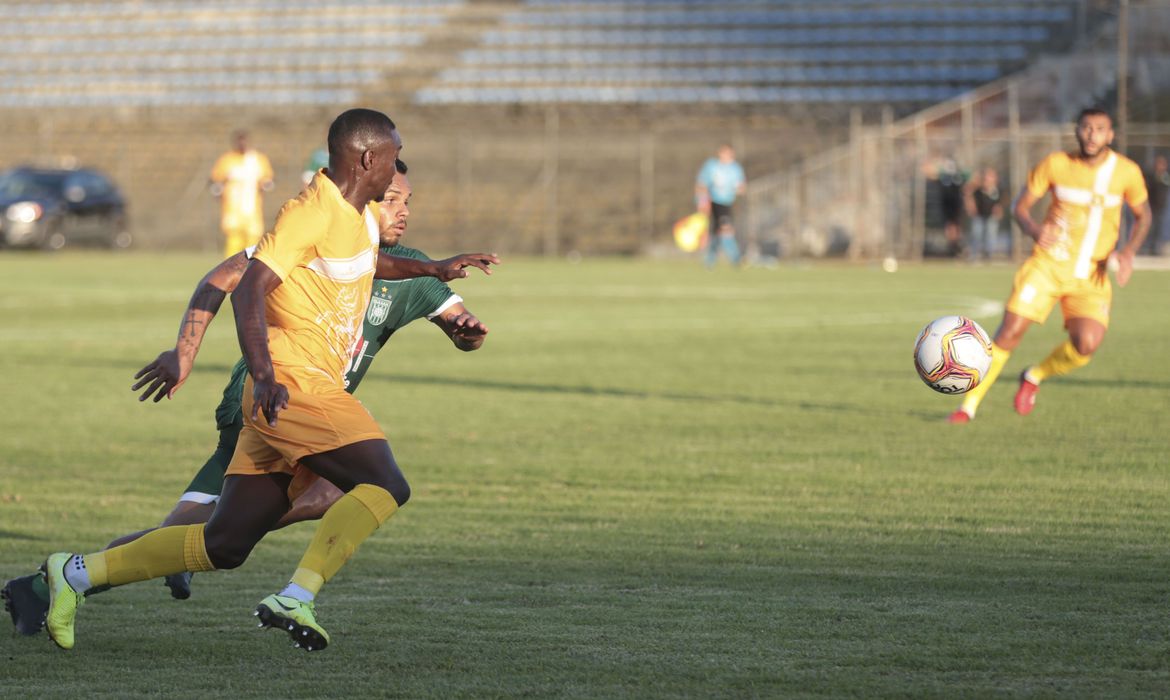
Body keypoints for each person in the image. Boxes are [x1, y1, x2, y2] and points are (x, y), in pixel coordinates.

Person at [35, 109, 500, 652]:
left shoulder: (353, 216)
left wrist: (433, 268)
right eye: (394, 158)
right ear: (368, 159)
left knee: (225, 543)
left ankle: (76, 574)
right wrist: (264, 373)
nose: (397, 172)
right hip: (294, 382)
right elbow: (249, 288)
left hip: (287, 389)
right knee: (385, 484)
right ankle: (297, 595)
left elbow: (366, 263)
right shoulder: (310, 212)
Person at [949, 108, 1151, 424]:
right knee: (1010, 332)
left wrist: (1127, 253)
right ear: (1077, 131)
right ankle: (967, 407)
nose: (1092, 134)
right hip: (1047, 266)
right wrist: (1035, 230)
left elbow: (1144, 216)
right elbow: (1020, 207)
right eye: (1086, 127)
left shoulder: (1127, 172)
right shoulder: (1056, 164)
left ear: (1111, 135)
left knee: (1086, 345)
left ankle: (1034, 376)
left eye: (1100, 129)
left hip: (1091, 275)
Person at [209, 130, 275, 258]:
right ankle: (231, 272)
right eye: (239, 141)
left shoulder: (257, 160)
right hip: (232, 209)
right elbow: (215, 181)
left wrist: (265, 185)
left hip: (252, 209)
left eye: (244, 141)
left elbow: (268, 180)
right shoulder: (227, 160)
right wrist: (218, 190)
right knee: (233, 242)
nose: (242, 144)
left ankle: (249, 272)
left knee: (252, 242)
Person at [695, 144, 746, 268]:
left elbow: (741, 186)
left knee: (720, 230)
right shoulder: (712, 166)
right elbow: (701, 184)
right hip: (713, 202)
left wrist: (739, 189)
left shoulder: (735, 168)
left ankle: (712, 260)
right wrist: (701, 202)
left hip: (728, 203)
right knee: (722, 229)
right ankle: (735, 259)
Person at [964, 166, 1004, 262]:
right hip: (979, 216)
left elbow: (1001, 203)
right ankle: (974, 256)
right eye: (986, 176)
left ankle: (989, 255)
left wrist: (999, 210)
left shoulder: (997, 191)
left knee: (991, 234)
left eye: (991, 176)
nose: (988, 179)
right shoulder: (977, 190)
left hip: (991, 217)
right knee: (976, 234)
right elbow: (967, 193)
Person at [1142, 153, 1168, 256]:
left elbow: (1165, 187)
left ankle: (1156, 248)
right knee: (1149, 228)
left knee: (1159, 228)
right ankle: (1146, 248)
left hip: (1161, 207)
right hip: (1151, 207)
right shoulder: (1151, 177)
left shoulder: (1165, 177)